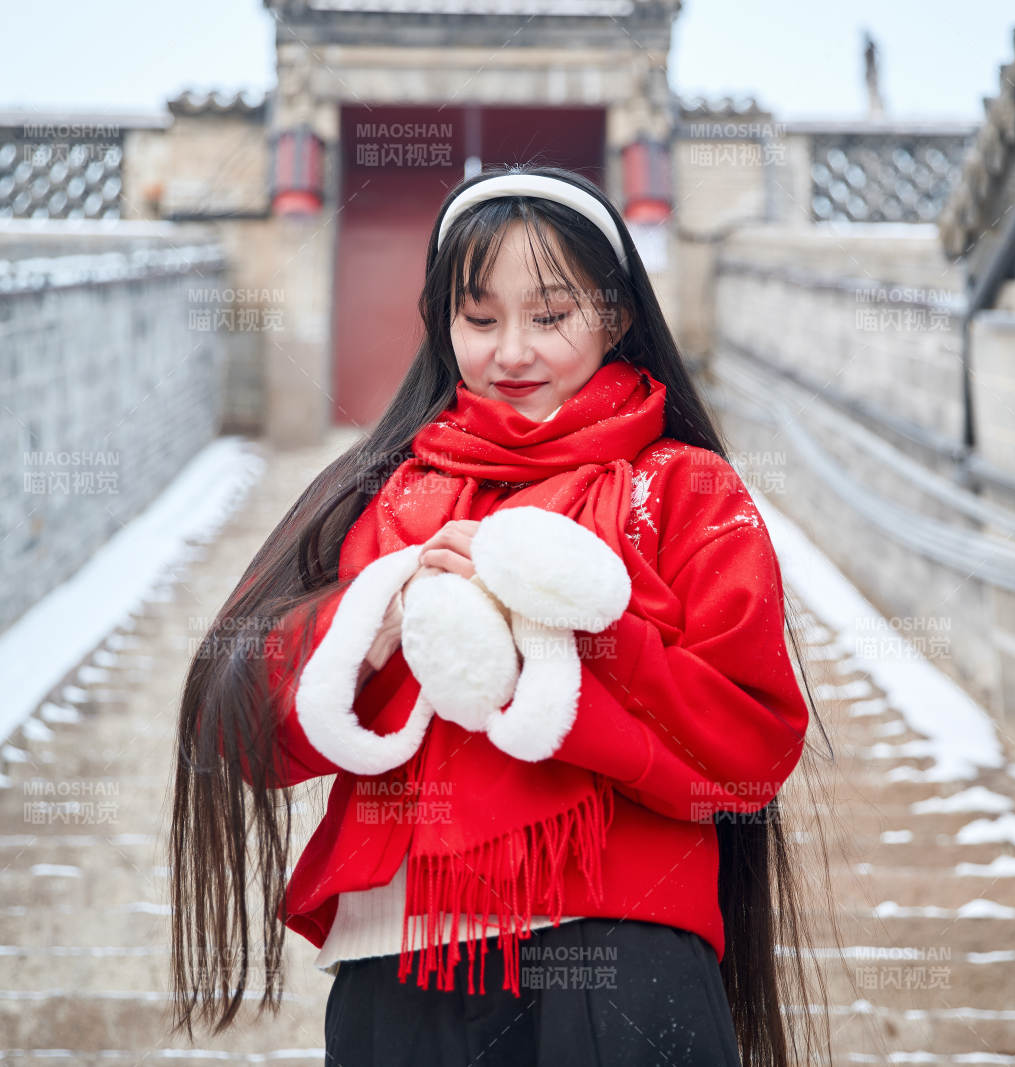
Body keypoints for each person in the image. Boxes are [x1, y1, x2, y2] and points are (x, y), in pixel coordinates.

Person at [170, 164, 835, 1066]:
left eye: (551, 316)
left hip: (622, 956)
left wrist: (569, 635)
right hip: (400, 961)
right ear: (445, 327)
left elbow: (749, 748)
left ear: (619, 316)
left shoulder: (686, 489)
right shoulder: (383, 497)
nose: (511, 350)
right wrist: (377, 621)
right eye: (479, 319)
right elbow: (236, 732)